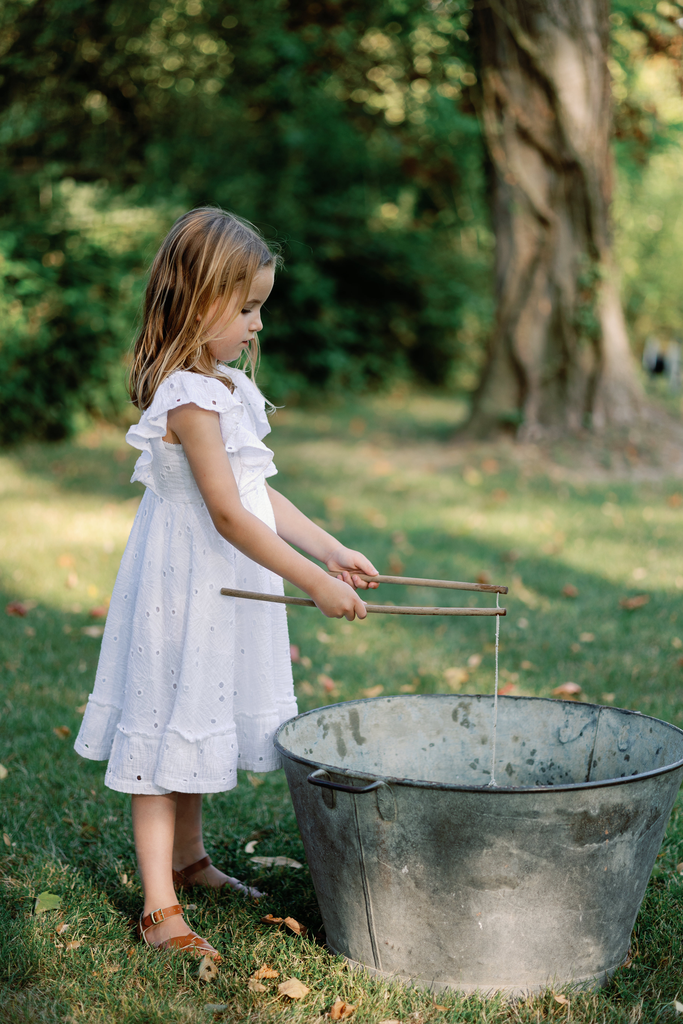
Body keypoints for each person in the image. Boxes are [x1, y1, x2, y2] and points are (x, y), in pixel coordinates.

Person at [74, 207, 378, 962]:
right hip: (183, 586)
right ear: (197, 301)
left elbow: (259, 494)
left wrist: (330, 548)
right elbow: (226, 515)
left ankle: (192, 860)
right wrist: (310, 582)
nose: (256, 326)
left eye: (259, 309)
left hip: (222, 588)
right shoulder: (185, 394)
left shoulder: (229, 388)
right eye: (245, 309)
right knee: (162, 726)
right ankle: (157, 908)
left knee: (199, 708)